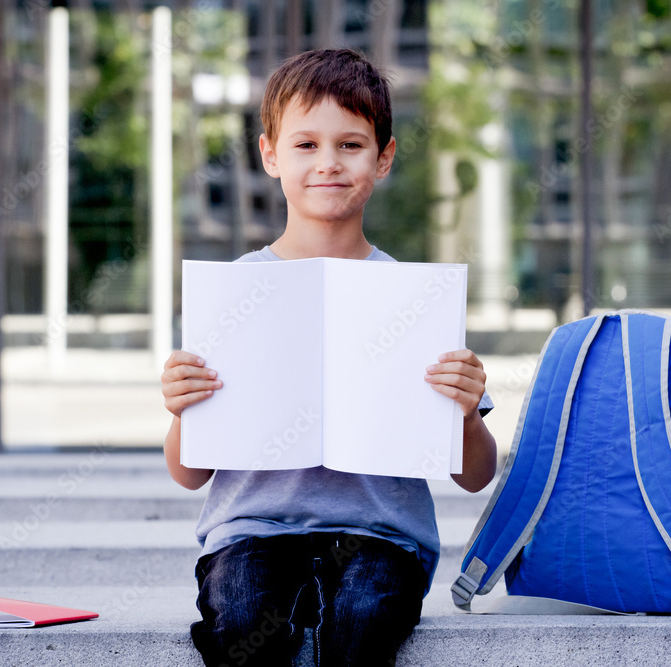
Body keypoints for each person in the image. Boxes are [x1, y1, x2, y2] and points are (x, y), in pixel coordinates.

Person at [161, 48, 497, 666]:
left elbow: (474, 475)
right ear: (270, 155)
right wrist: (183, 411)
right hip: (252, 534)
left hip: (381, 539)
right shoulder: (234, 293)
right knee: (239, 621)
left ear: (384, 157)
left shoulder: (414, 299)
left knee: (364, 620)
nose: (328, 163)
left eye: (350, 145)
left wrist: (469, 412)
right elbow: (189, 474)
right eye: (305, 145)